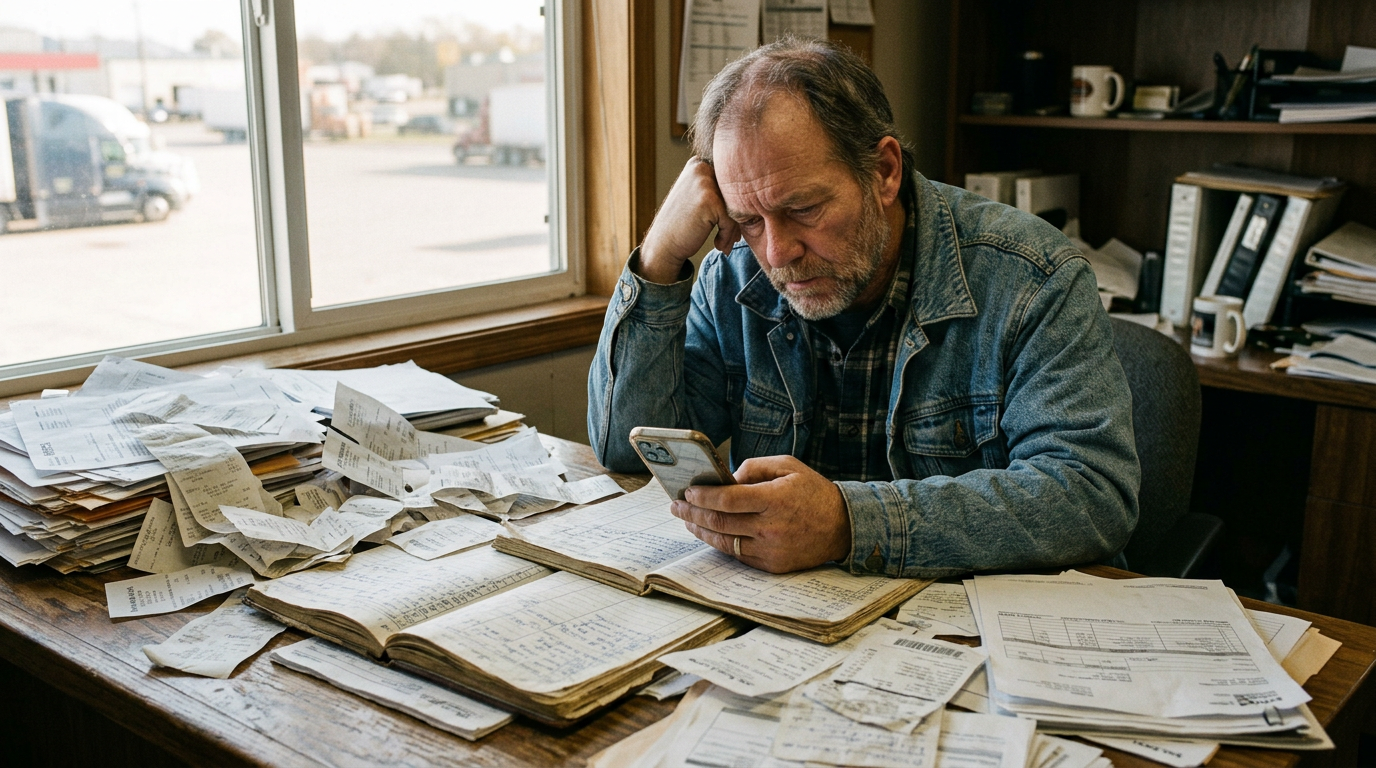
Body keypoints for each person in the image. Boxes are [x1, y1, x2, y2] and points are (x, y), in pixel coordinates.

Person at [588, 38, 1139, 578]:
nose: (778, 254)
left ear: (884, 172)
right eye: (749, 220)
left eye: (803, 208)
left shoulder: (1033, 278)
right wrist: (660, 256)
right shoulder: (731, 276)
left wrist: (847, 524)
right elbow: (626, 449)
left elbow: (1091, 496)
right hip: (799, 623)